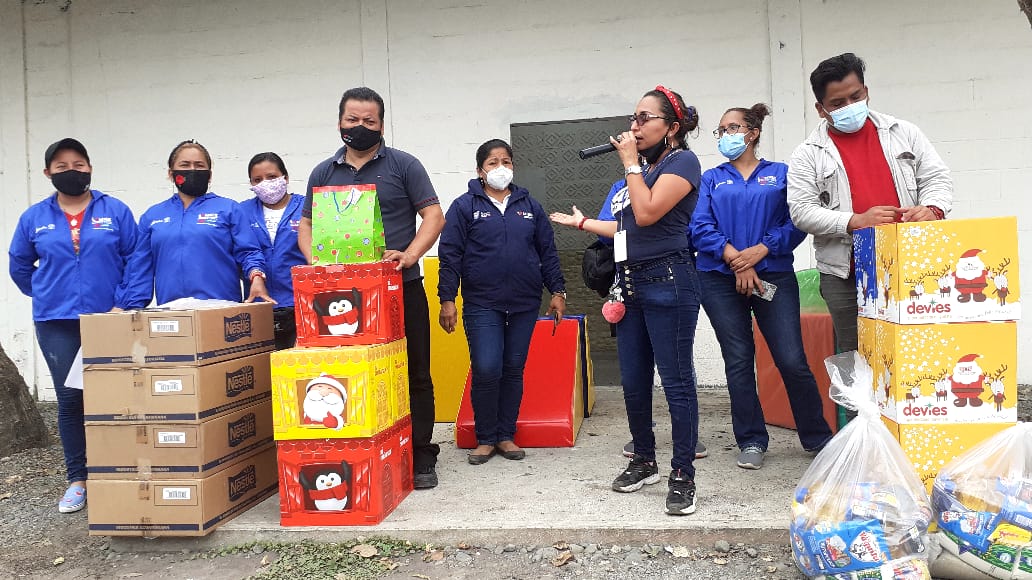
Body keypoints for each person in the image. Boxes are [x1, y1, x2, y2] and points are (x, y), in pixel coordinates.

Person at [551, 86, 703, 516]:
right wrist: (583, 222)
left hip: (669, 280)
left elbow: (649, 212)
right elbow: (627, 229)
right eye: (633, 117)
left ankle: (683, 474)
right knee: (634, 381)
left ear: (671, 127)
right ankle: (644, 459)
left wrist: (630, 163)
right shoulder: (646, 169)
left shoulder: (683, 162)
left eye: (644, 118)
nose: (634, 126)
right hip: (631, 283)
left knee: (676, 382)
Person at [297, 87, 446, 489]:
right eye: (352, 120)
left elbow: (434, 215)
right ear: (339, 122)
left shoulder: (404, 165)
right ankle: (359, 450)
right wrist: (316, 260)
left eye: (369, 121)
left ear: (381, 125)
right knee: (350, 373)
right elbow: (306, 224)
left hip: (399, 290)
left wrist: (411, 255)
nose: (360, 127)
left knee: (415, 371)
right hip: (338, 296)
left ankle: (421, 454)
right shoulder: (323, 173)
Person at [690, 104, 833, 470]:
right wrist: (735, 259)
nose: (725, 135)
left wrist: (758, 252)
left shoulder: (781, 174)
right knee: (738, 360)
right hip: (718, 278)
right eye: (721, 130)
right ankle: (751, 439)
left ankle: (817, 437)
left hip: (773, 274)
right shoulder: (712, 178)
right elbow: (699, 226)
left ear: (752, 133)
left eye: (732, 128)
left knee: (791, 359)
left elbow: (796, 221)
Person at [787, 53, 952, 354]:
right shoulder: (808, 153)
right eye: (838, 103)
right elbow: (801, 211)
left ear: (866, 91)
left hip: (910, 263)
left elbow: (936, 178)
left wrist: (932, 209)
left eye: (856, 96)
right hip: (845, 274)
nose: (850, 106)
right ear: (821, 109)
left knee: (916, 351)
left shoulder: (903, 133)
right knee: (857, 356)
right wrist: (855, 221)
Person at [9, 138, 138, 513]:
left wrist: (123, 302)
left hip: (109, 317)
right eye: (62, 166)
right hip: (56, 322)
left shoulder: (114, 210)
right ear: (48, 173)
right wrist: (48, 292)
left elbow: (135, 258)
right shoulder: (34, 217)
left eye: (78, 164)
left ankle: (121, 473)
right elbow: (19, 264)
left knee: (117, 397)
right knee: (70, 399)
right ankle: (78, 480)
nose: (72, 171)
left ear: (90, 168)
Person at [437, 139, 567, 465]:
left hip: (524, 302)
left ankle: (506, 435)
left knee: (512, 368)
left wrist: (558, 291)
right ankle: (485, 438)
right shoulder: (465, 207)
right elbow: (450, 255)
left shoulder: (530, 206)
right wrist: (447, 299)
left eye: (506, 162)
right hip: (483, 303)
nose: (501, 168)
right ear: (480, 170)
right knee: (487, 367)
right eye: (493, 163)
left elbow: (547, 251)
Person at [584, 179, 709, 462]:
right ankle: (642, 438)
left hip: (670, 280)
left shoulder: (677, 179)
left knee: (676, 368)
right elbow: (608, 232)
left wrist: (642, 231)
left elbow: (690, 231)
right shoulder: (619, 187)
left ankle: (687, 437)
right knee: (634, 373)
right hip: (628, 283)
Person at [118, 140, 272, 309]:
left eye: (199, 165)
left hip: (222, 309)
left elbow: (248, 251)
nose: (193, 170)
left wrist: (256, 275)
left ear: (209, 174)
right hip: (171, 312)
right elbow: (140, 268)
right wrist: (132, 308)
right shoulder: (152, 216)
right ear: (171, 173)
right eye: (185, 165)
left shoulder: (229, 209)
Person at [241, 152, 307, 349]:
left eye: (271, 177)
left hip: (301, 304)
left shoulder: (307, 208)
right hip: (259, 305)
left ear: (285, 178)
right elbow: (242, 251)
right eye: (257, 180)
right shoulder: (241, 212)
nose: (265, 183)